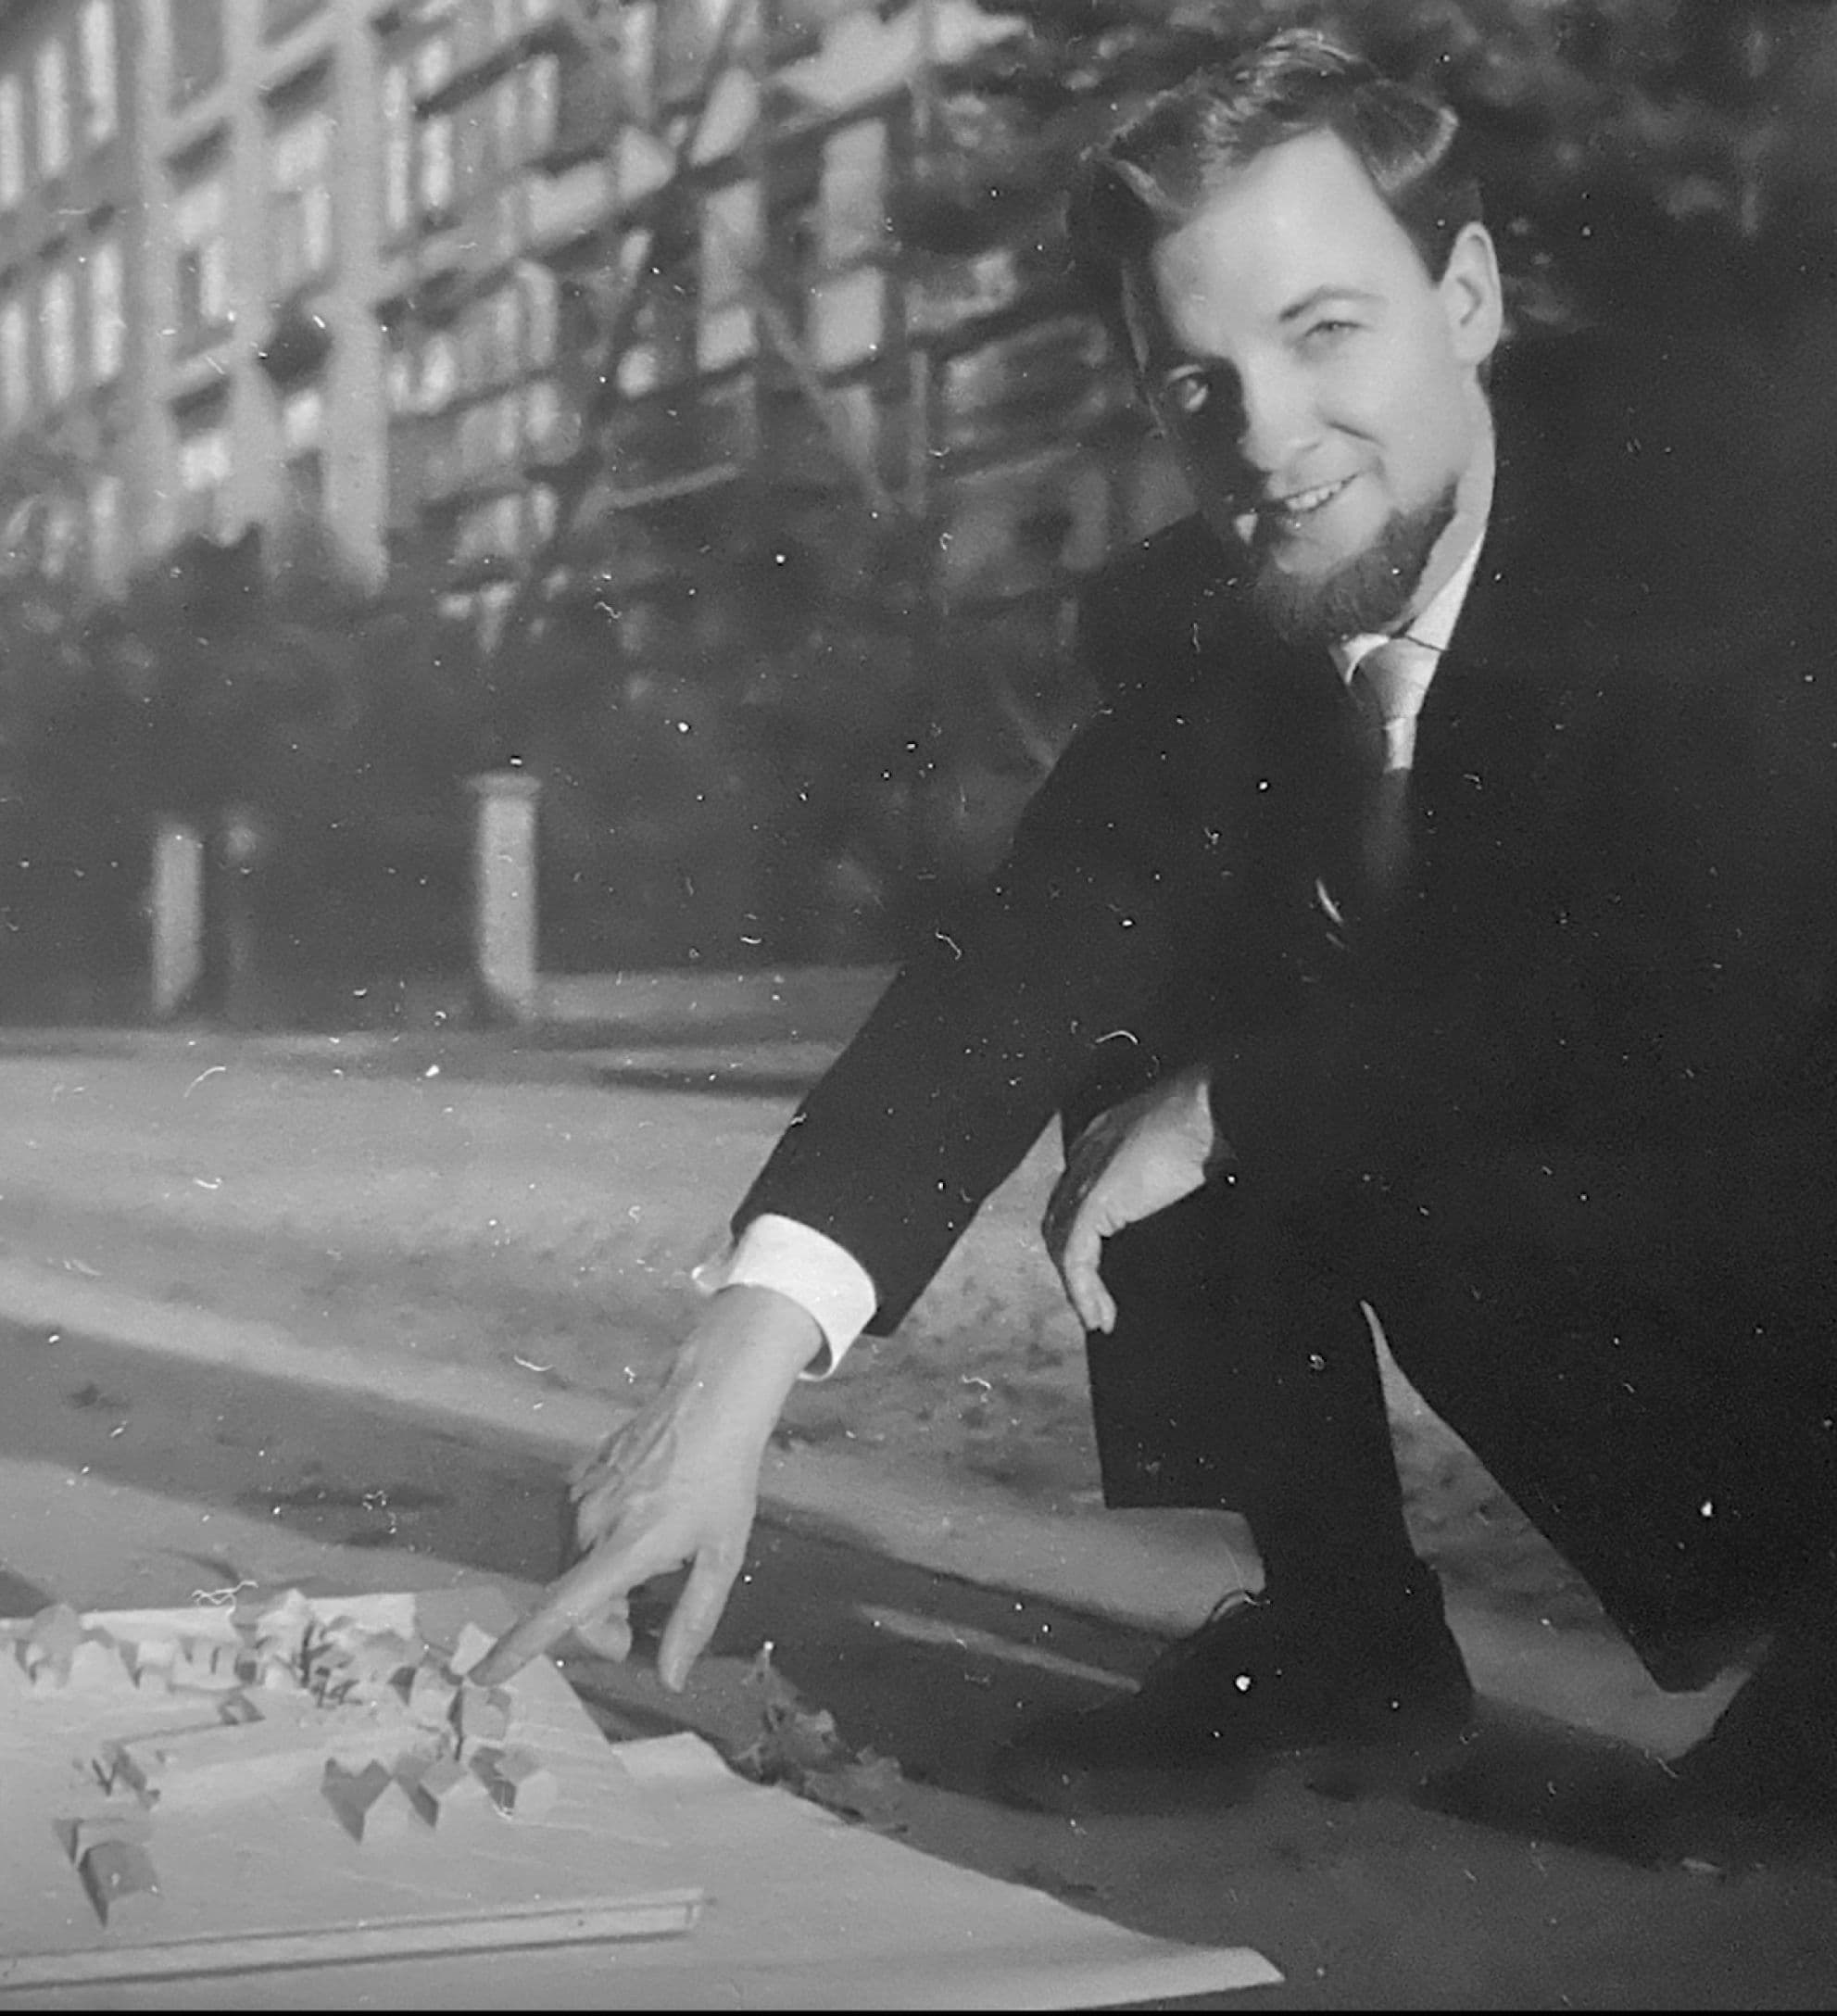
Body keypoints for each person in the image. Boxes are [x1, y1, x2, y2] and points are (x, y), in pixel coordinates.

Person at [477, 32, 1837, 1833]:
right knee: (1137, 1021)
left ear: (1469, 294)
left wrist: (1243, 1106)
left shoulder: (1721, 511)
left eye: (1323, 333)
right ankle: (1345, 1641)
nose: (1263, 438)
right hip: (1570, 1089)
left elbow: (1708, 984)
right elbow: (1026, 954)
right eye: (1190, 383)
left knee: (1256, 1095)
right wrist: (728, 1371)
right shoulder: (1211, 619)